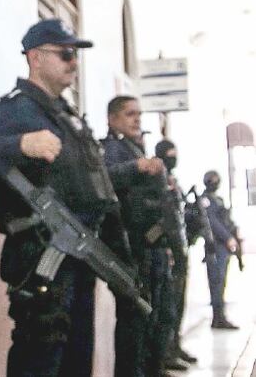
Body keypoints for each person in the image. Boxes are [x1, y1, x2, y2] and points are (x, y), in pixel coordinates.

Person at [0, 19, 128, 377]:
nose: (73, 63)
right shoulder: (15, 110)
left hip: (81, 256)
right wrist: (19, 144)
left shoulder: (68, 118)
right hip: (39, 255)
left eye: (75, 55)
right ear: (35, 58)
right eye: (65, 54)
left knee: (77, 361)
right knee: (40, 358)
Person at [102, 97, 184, 376]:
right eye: (129, 114)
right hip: (132, 248)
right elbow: (105, 179)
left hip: (153, 248)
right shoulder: (112, 149)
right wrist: (136, 167)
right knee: (135, 321)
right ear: (112, 120)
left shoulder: (134, 148)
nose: (136, 119)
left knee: (158, 316)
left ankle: (153, 369)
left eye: (139, 114)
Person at [154, 140, 197, 366]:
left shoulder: (174, 181)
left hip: (180, 248)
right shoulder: (157, 179)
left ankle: (175, 345)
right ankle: (165, 353)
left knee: (177, 305)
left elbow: (178, 215)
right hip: (168, 249)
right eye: (170, 153)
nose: (174, 157)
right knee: (167, 307)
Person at [201, 170, 240, 330]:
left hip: (223, 246)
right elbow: (212, 222)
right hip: (215, 246)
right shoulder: (205, 200)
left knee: (221, 282)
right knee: (216, 282)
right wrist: (227, 237)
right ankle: (218, 317)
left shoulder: (218, 199)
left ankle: (221, 316)